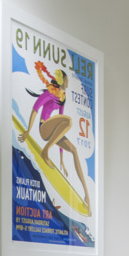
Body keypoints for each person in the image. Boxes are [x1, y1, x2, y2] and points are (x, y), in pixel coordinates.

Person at [18, 60, 91, 212]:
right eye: (66, 80)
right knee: (69, 121)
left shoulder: (63, 97)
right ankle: (45, 150)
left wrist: (62, 158)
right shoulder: (49, 93)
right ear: (61, 80)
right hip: (44, 128)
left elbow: (61, 128)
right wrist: (28, 130)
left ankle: (87, 194)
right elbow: (35, 109)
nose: (68, 82)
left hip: (53, 132)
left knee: (74, 150)